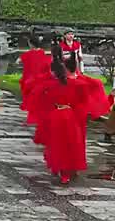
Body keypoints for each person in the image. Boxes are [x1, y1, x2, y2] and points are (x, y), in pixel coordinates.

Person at [33, 44, 109, 185]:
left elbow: (41, 92)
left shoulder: (56, 84)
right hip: (70, 116)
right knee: (70, 144)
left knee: (57, 143)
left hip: (57, 115)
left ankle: (60, 168)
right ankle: (67, 171)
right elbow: (88, 95)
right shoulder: (80, 83)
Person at [18, 36, 51, 112]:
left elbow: (19, 61)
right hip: (40, 78)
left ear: (31, 44)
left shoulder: (28, 54)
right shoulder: (43, 53)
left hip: (29, 78)